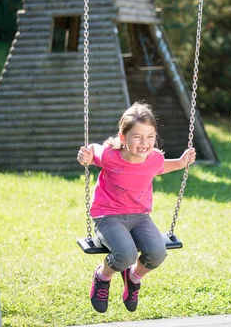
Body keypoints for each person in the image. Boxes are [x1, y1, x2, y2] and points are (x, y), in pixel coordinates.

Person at [77, 102, 196, 313]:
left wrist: (180, 162)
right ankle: (102, 276)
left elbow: (161, 166)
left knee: (158, 253)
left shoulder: (154, 158)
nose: (145, 143)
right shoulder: (110, 156)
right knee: (126, 254)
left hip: (140, 217)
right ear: (123, 138)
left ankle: (133, 277)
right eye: (137, 136)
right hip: (108, 216)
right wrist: (85, 155)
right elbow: (94, 149)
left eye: (150, 137)